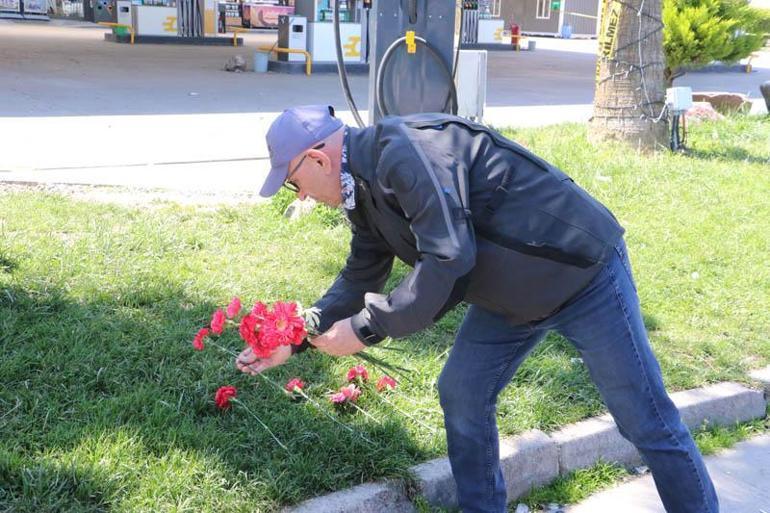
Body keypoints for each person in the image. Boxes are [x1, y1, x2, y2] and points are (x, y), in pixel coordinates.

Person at [235, 105, 718, 513]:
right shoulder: (359, 191)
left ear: (318, 158)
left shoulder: (405, 152)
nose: (300, 196)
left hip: (580, 274)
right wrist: (293, 338)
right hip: (509, 297)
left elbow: (448, 256)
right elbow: (361, 276)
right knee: (462, 391)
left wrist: (366, 328)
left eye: (293, 182)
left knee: (645, 419)